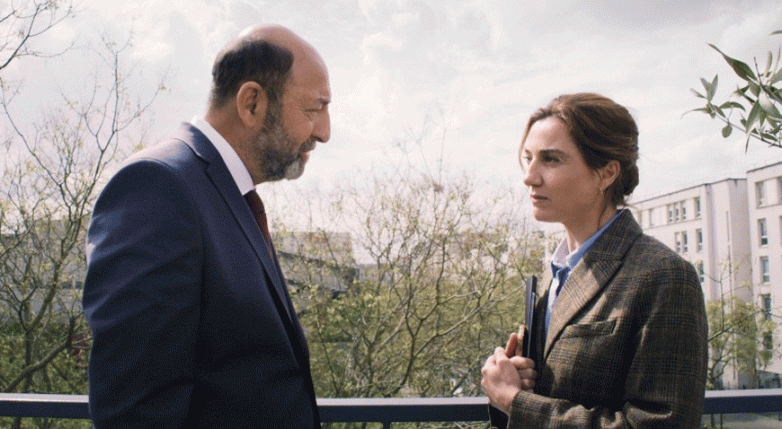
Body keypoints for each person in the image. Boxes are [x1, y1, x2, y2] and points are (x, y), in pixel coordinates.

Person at [82, 24, 330, 428]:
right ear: (252, 103)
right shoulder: (157, 187)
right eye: (314, 109)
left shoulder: (226, 194)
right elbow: (136, 411)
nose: (324, 132)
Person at [481, 93, 707, 428]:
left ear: (606, 173)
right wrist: (516, 379)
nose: (530, 176)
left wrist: (516, 402)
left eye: (551, 160)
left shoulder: (663, 276)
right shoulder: (558, 271)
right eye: (528, 158)